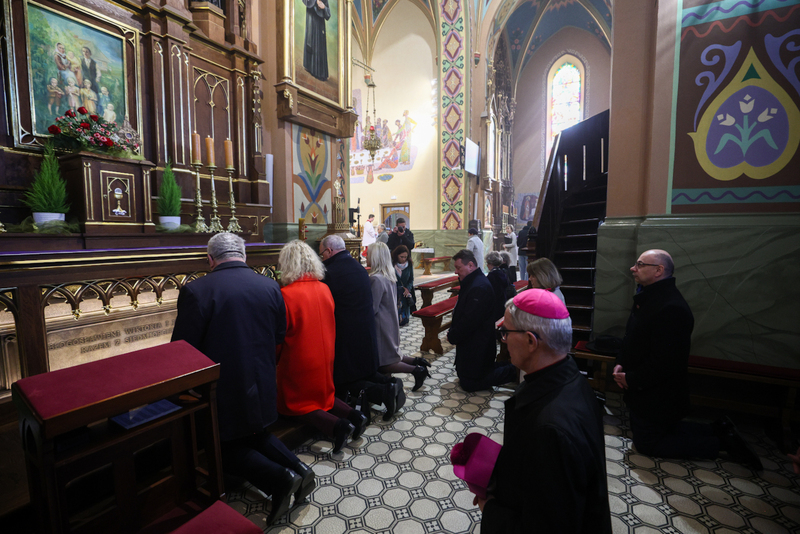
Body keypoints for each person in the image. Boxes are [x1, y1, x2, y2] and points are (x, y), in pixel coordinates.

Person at [171, 233, 315, 526]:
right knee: (257, 433)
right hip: (260, 377)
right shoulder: (270, 286)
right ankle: (301, 470)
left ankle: (280, 480)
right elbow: (278, 335)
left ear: (210, 259)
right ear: (244, 255)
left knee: (221, 445)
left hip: (222, 387)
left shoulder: (197, 291)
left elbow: (183, 351)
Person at [477, 289, 612, 533]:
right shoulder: (572, 378)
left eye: (506, 332)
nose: (504, 340)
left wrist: (491, 510)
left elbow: (549, 526)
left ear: (531, 341)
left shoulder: (550, 428)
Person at [612, 249, 762, 469]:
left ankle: (719, 442)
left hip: (658, 392)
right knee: (661, 431)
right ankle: (718, 428)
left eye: (640, 264)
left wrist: (632, 379)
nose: (633, 268)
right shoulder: (650, 296)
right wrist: (621, 360)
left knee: (648, 443)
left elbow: (665, 362)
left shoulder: (671, 307)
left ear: (658, 271)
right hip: (643, 386)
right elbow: (632, 335)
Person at [275, 240, 367, 454]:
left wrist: (275, 358)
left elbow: (281, 335)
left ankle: (338, 427)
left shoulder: (287, 294)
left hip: (300, 357)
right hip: (325, 354)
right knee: (323, 396)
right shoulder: (324, 288)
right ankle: (356, 415)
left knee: (296, 405)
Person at [319, 234, 404, 420]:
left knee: (344, 378)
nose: (322, 257)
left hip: (345, 331)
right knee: (362, 371)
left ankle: (384, 391)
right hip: (366, 329)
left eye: (322, 253)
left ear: (329, 251)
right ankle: (390, 385)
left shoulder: (329, 271)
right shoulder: (357, 267)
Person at [447, 249, 517, 392]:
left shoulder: (479, 286)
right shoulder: (474, 282)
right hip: (474, 342)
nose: (456, 272)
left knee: (471, 383)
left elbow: (469, 321)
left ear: (471, 265)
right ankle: (513, 368)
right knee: (469, 377)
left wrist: (453, 335)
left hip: (478, 343)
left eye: (458, 268)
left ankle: (516, 370)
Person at [368, 242, 430, 391]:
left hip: (380, 324)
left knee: (384, 362)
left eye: (369, 254)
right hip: (389, 319)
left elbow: (373, 307)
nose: (367, 256)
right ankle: (417, 363)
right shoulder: (387, 275)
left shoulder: (376, 278)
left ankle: (416, 370)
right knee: (391, 354)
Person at [301, 0, 330, 81]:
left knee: (320, 46)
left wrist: (324, 7)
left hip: (320, 25)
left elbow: (328, 15)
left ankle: (320, 73)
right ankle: (310, 67)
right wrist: (315, 1)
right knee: (311, 41)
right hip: (311, 19)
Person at [485, 252, 513, 321]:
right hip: (503, 301)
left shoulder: (492, 275)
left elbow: (491, 292)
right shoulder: (501, 272)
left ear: (489, 263)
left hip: (495, 304)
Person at [391, 245, 415, 326]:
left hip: (406, 291)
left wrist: (408, 288)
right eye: (401, 257)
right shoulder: (392, 265)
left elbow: (411, 279)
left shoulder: (409, 264)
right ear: (396, 255)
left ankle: (405, 319)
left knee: (405, 307)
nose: (404, 259)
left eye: (405, 257)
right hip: (395, 290)